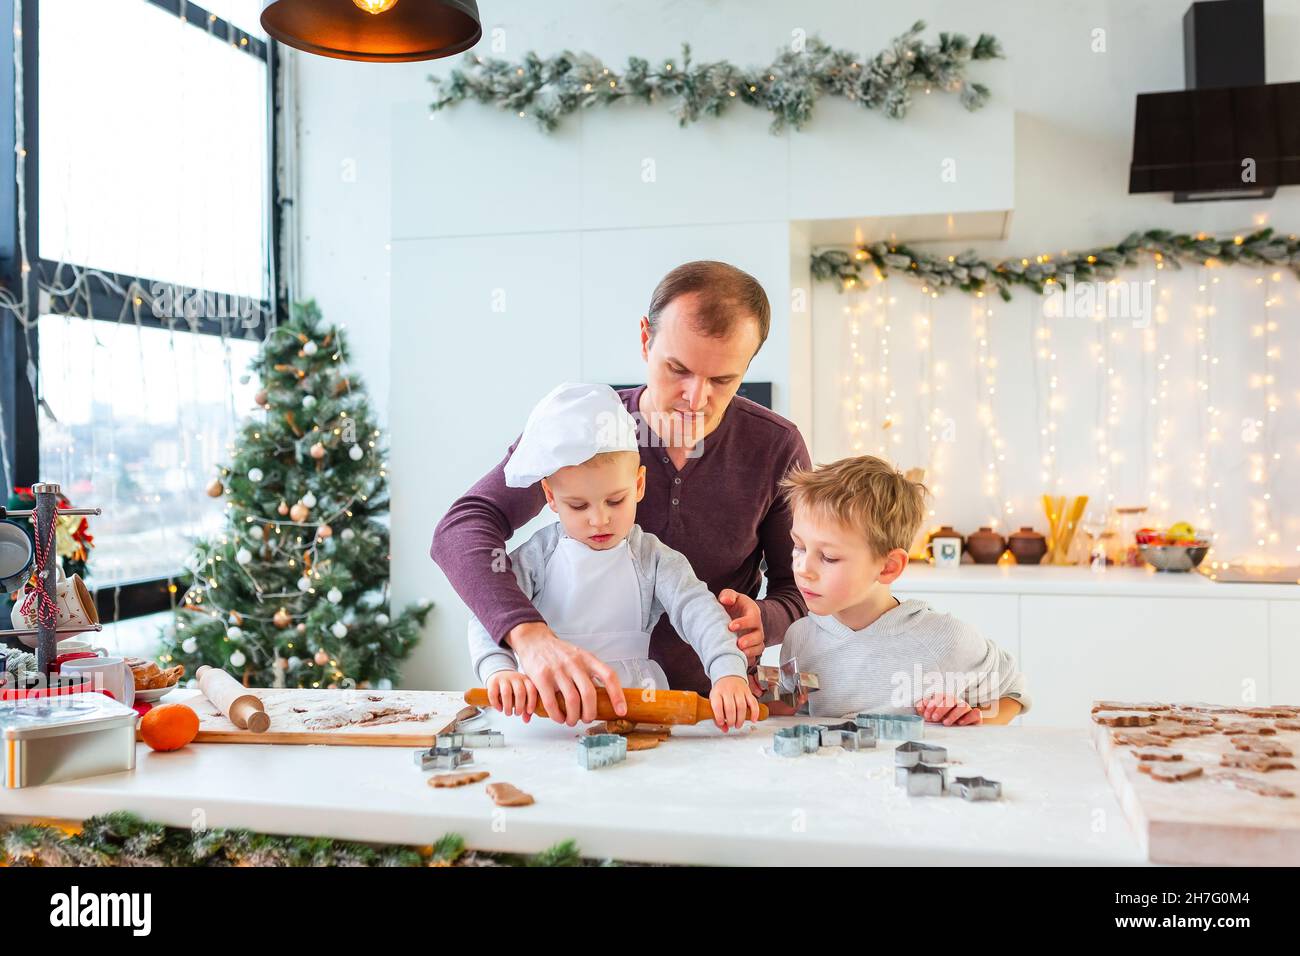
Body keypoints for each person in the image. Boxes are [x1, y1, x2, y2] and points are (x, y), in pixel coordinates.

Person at [431, 260, 810, 725]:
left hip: (711, 714)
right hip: (574, 712)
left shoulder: (775, 445)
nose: (695, 398)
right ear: (646, 339)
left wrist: (766, 619)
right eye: (678, 369)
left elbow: (800, 586)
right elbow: (462, 528)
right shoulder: (582, 428)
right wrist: (526, 635)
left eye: (721, 380)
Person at [467, 383, 759, 731]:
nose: (599, 519)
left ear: (638, 485)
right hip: (549, 709)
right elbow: (488, 612)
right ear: (551, 497)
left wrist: (727, 670)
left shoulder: (654, 559)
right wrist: (499, 669)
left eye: (615, 501)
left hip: (636, 705)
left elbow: (699, 611)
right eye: (579, 505)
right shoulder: (537, 556)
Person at [777, 455, 1030, 724]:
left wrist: (974, 720)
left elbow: (1012, 694)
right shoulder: (799, 638)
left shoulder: (946, 638)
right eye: (799, 547)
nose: (803, 568)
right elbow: (793, 718)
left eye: (828, 557)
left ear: (888, 567)